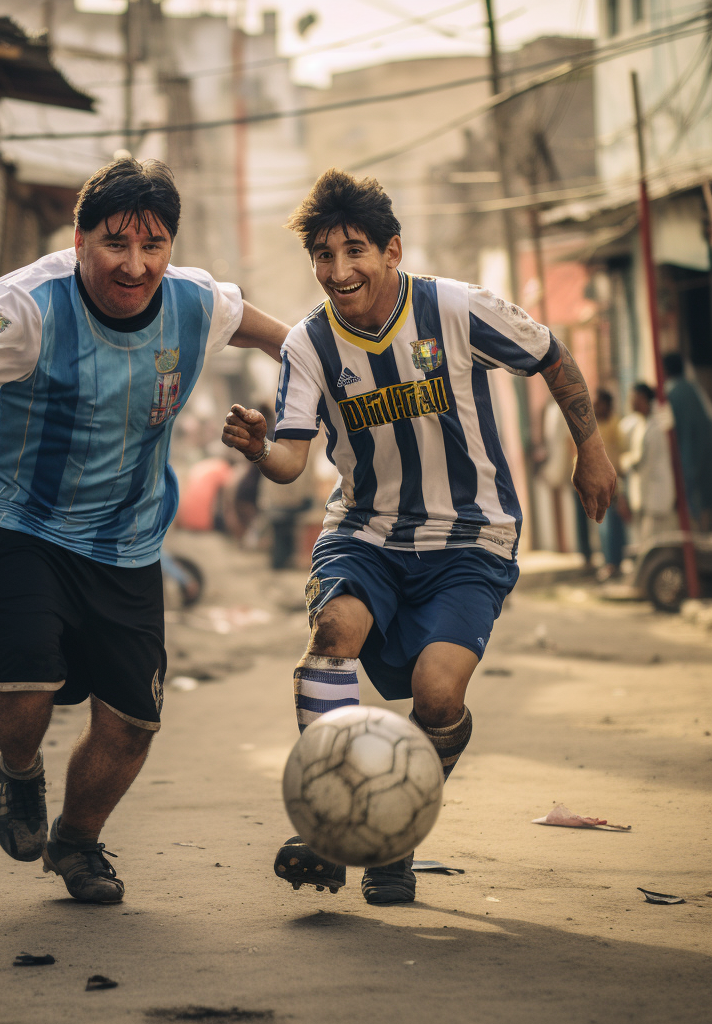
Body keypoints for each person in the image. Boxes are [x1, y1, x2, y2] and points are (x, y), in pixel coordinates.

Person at [0, 157, 288, 904]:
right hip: (23, 523)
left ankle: (76, 843)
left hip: (128, 541)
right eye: (115, 244)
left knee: (133, 722)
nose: (134, 265)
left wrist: (299, 421)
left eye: (154, 245)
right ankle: (20, 771)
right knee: (23, 688)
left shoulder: (199, 303)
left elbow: (292, 342)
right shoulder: (31, 304)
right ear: (81, 240)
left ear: (172, 245)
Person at [221, 169, 616, 905]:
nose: (339, 271)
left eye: (355, 251)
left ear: (392, 250)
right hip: (365, 533)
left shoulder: (456, 309)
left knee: (437, 696)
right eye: (324, 256)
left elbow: (552, 356)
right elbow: (290, 462)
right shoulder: (308, 344)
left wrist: (589, 447)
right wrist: (257, 449)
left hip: (471, 539)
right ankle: (332, 829)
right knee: (331, 629)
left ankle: (392, 835)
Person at [662, 353, 712, 531]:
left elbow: (684, 433)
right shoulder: (693, 389)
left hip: (689, 462)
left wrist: (687, 467)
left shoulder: (673, 394)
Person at [622, 382, 676, 544]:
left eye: (634, 398)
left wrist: (626, 462)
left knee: (655, 547)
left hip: (656, 500)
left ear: (643, 398)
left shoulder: (655, 427)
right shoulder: (640, 425)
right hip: (646, 500)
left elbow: (642, 462)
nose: (631, 402)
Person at [594, 388, 628, 581]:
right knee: (604, 524)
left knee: (616, 523)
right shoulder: (593, 426)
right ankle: (609, 562)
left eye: (600, 403)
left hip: (615, 482)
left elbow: (621, 452)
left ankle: (617, 562)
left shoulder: (615, 424)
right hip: (599, 483)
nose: (596, 406)